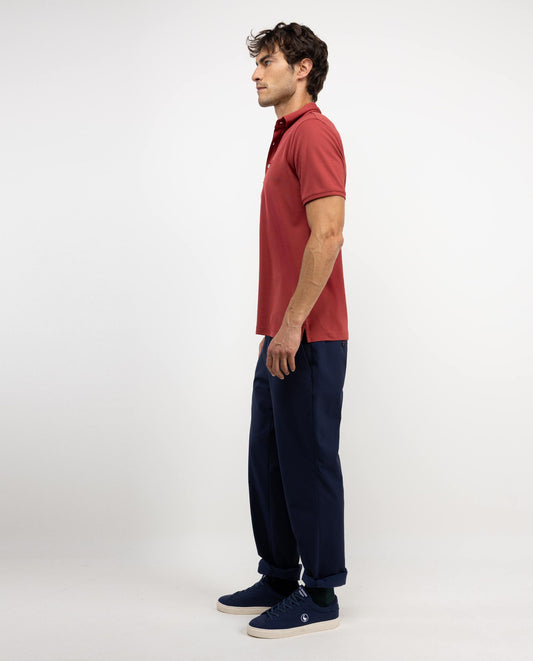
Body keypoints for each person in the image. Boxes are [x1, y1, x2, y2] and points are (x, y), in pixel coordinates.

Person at [217, 21, 349, 639]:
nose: (255, 73)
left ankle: (318, 593)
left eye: (266, 61)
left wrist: (294, 324)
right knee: (268, 458)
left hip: (309, 333)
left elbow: (329, 235)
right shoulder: (285, 136)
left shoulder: (314, 133)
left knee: (308, 459)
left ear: (302, 69)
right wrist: (276, 327)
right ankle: (277, 576)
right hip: (281, 329)